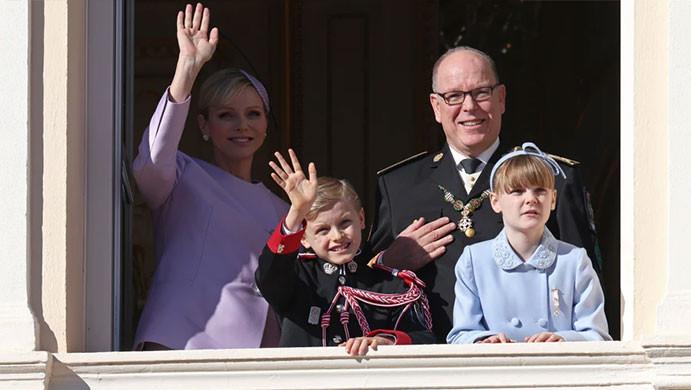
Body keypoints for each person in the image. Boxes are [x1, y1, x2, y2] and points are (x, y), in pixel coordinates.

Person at [369, 46, 600, 342]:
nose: (469, 107)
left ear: (501, 98)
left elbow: (586, 287)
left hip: (527, 363)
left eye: (481, 93)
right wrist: (389, 261)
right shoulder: (398, 186)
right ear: (436, 107)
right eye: (454, 96)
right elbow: (357, 291)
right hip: (426, 364)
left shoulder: (553, 177)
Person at [132, 3, 288, 350]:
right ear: (204, 125)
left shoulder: (283, 209)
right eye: (226, 115)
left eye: (253, 114)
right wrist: (186, 69)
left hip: (255, 352)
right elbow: (151, 161)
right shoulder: (182, 177)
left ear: (265, 124)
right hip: (182, 341)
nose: (242, 125)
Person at [256, 150, 434, 356]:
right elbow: (268, 277)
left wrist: (384, 341)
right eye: (323, 230)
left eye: (345, 223)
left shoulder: (389, 283)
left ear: (361, 219)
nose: (337, 236)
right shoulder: (299, 277)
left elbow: (425, 338)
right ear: (303, 237)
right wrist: (296, 213)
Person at [447, 143, 610, 344]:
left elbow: (597, 334)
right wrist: (483, 341)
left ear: (553, 199)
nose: (530, 199)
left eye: (540, 190)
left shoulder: (574, 261)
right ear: (495, 201)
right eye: (517, 191)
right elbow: (461, 334)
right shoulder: (474, 260)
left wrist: (562, 340)